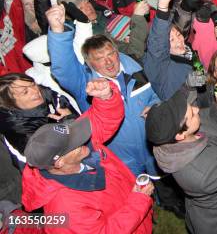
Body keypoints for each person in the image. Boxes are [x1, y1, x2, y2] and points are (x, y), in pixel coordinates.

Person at [21, 79, 154, 233]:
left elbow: (100, 120)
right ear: (60, 163)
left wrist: (105, 97)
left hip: (139, 217)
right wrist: (138, 201)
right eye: (74, 143)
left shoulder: (79, 147)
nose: (83, 138)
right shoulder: (64, 210)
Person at [46, 4, 162, 176]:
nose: (108, 62)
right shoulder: (86, 85)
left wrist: (155, 106)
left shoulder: (136, 69)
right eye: (99, 59)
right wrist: (57, 30)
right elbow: (64, 68)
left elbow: (155, 95)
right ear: (90, 64)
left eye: (110, 55)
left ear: (117, 51)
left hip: (154, 148)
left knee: (166, 191)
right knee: (139, 198)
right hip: (120, 159)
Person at [145, 85, 217, 234]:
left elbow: (209, 120)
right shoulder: (200, 173)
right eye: (191, 113)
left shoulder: (178, 137)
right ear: (180, 135)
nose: (197, 109)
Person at [0, 73, 77, 163]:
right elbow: (51, 156)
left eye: (33, 84)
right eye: (25, 92)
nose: (35, 91)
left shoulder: (43, 94)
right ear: (10, 104)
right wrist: (69, 123)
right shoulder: (19, 130)